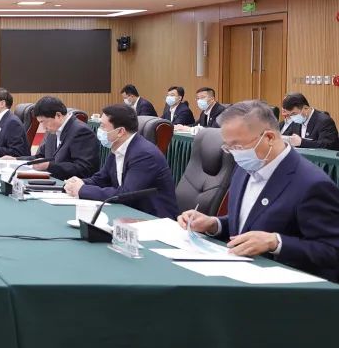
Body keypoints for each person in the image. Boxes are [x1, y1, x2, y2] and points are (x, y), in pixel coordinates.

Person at [179, 100, 339, 281]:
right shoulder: (245, 168)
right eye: (228, 147)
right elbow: (251, 222)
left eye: (237, 146)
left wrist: (276, 242)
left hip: (284, 287)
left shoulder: (312, 184)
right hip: (238, 275)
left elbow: (332, 250)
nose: (234, 153)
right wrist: (214, 224)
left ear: (269, 138)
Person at [65, 103, 177, 219]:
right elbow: (101, 179)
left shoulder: (144, 154)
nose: (99, 130)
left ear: (120, 131)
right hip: (129, 213)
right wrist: (79, 183)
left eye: (103, 126)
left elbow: (127, 194)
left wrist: (83, 190)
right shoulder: (118, 147)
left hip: (153, 218)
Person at [30, 96, 100, 180]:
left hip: (71, 184)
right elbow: (40, 157)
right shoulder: (53, 130)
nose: (43, 127)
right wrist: (18, 160)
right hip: (52, 182)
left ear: (58, 115)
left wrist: (49, 166)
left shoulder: (81, 131)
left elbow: (84, 169)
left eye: (43, 122)